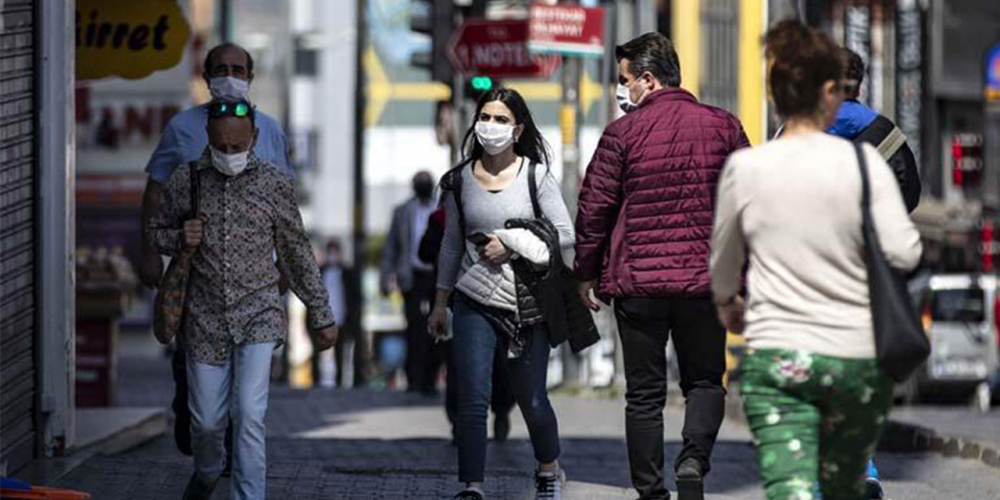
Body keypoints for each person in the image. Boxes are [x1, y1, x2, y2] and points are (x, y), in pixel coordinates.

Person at [709, 20, 922, 500]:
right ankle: (861, 474)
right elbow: (906, 248)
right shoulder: (869, 160)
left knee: (793, 479)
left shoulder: (750, 166)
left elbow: (724, 260)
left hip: (778, 348)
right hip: (852, 346)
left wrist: (729, 304)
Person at [573, 32, 749, 500]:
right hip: (705, 284)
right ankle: (693, 460)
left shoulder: (620, 135)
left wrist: (585, 272)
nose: (622, 89)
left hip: (640, 286)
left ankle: (651, 492)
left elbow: (594, 209)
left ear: (647, 80)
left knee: (644, 395)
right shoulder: (725, 127)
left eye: (624, 80)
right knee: (706, 380)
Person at [148, 102, 338, 500]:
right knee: (206, 425)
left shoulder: (274, 184)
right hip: (203, 319)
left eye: (238, 146)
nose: (229, 154)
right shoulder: (187, 180)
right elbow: (156, 231)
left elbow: (296, 250)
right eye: (221, 145)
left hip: (259, 314)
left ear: (253, 139)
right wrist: (181, 237)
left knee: (250, 415)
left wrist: (321, 314)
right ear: (208, 139)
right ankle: (206, 471)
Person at [139, 42, 293, 458]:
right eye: (221, 68)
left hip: (255, 276)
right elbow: (155, 190)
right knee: (197, 370)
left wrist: (287, 266)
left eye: (238, 69)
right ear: (207, 78)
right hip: (197, 273)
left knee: (248, 392)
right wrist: (151, 250)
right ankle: (195, 409)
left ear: (251, 77)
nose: (230, 75)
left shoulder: (271, 130)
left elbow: (285, 203)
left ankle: (230, 457)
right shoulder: (182, 128)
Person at [428, 87, 574, 500]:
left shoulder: (536, 176)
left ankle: (549, 469)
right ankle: (472, 486)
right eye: (485, 117)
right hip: (472, 300)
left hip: (526, 304)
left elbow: (565, 235)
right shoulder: (458, 180)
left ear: (518, 129)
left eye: (501, 120)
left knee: (532, 399)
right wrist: (440, 303)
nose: (490, 127)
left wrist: (510, 242)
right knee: (472, 398)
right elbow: (451, 244)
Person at [827, 47, 923, 500]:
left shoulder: (805, 128)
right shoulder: (885, 130)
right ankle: (862, 468)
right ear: (860, 83)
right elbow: (911, 198)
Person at [418, 206, 516, 444]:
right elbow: (425, 252)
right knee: (457, 364)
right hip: (456, 297)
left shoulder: (505, 208)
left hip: (498, 294)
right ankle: (459, 421)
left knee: (500, 362)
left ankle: (501, 410)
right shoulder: (441, 218)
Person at [381, 171, 442, 394]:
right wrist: (385, 279)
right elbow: (391, 248)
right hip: (413, 277)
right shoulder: (403, 211)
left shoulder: (440, 209)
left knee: (437, 328)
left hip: (437, 277)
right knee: (415, 328)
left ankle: (431, 379)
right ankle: (414, 378)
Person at [315, 239, 366, 388]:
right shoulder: (320, 271)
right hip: (323, 319)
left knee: (342, 350)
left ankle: (343, 381)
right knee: (318, 350)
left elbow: (356, 296)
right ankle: (316, 380)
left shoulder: (348, 272)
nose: (332, 255)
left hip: (343, 318)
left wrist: (354, 314)